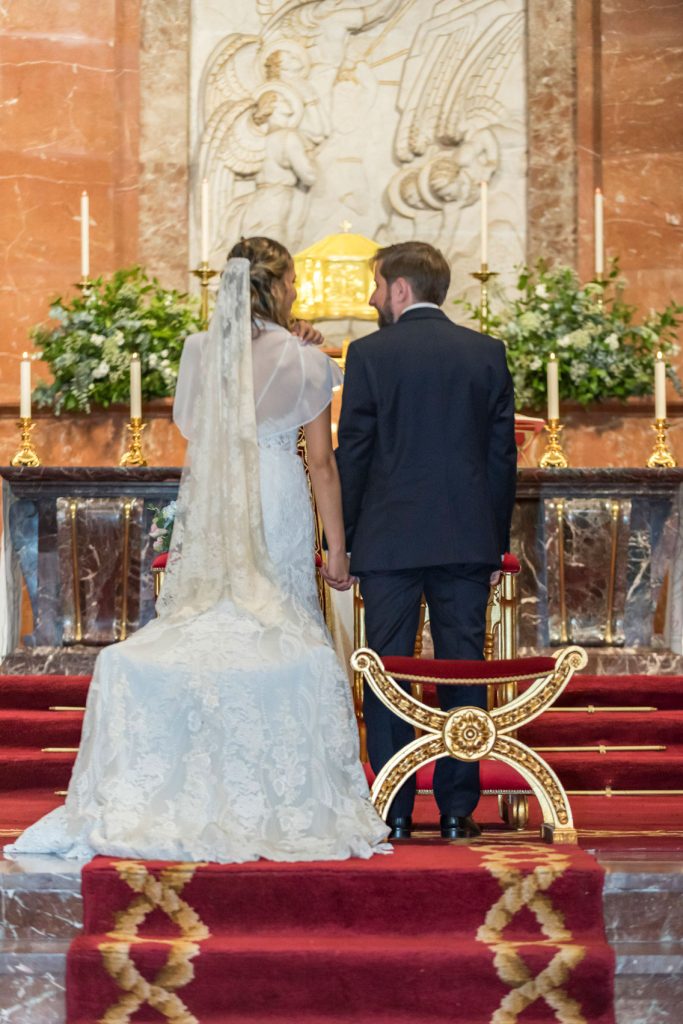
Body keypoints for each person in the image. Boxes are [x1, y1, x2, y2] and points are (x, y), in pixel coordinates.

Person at [7, 238, 390, 864]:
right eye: (292, 281)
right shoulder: (309, 361)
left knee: (217, 613)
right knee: (281, 619)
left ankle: (202, 774)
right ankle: (272, 788)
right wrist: (337, 550)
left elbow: (196, 429)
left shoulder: (198, 352)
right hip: (279, 495)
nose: (297, 292)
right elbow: (322, 464)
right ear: (278, 287)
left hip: (217, 496)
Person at [336, 240, 516, 841]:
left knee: (389, 671)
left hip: (388, 542)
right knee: (464, 667)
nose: (371, 297)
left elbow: (354, 455)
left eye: (376, 286)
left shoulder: (367, 354)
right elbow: (500, 458)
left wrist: (348, 540)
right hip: (467, 539)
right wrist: (493, 543)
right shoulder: (486, 352)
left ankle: (394, 803)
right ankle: (460, 810)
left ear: (400, 288)